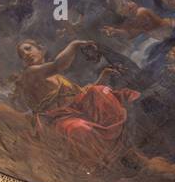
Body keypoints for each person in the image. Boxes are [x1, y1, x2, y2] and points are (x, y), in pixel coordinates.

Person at [13, 38, 141, 166]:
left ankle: (117, 146)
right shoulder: (29, 74)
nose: (26, 54)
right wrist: (75, 44)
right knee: (79, 128)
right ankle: (101, 161)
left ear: (41, 50)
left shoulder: (58, 78)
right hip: (57, 120)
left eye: (28, 49)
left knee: (99, 91)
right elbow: (59, 64)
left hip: (76, 111)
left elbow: (82, 95)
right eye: (22, 55)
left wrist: (104, 76)